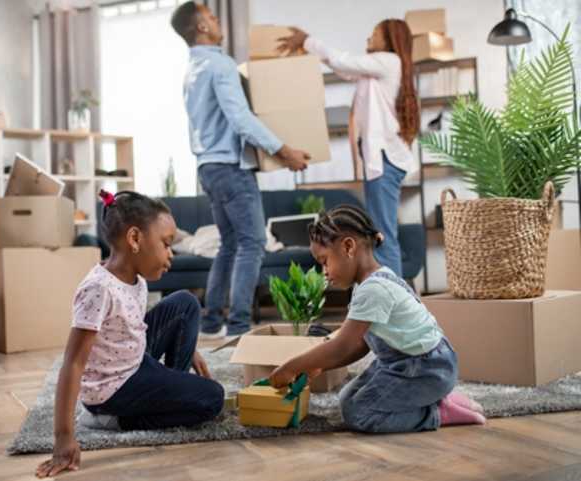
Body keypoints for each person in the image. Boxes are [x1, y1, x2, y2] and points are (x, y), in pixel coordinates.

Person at [35, 191, 223, 479]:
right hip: (113, 389)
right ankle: (115, 420)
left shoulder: (134, 278)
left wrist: (187, 343)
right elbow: (72, 363)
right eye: (166, 243)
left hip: (133, 361)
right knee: (212, 398)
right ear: (135, 239)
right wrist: (63, 436)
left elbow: (134, 327)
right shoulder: (99, 289)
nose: (170, 253)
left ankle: (171, 389)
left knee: (185, 303)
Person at [269, 205, 486, 434]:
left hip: (426, 368)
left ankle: (436, 411)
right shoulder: (371, 282)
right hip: (402, 363)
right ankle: (430, 398)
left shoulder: (374, 290)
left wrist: (291, 367)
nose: (324, 271)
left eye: (325, 261)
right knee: (347, 398)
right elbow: (360, 345)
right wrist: (320, 364)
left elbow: (343, 345)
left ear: (348, 247)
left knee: (360, 413)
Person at [171, 1, 311, 337]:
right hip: (230, 168)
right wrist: (284, 151)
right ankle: (238, 327)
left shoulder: (192, 71)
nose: (217, 20)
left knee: (231, 245)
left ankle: (210, 323)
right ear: (202, 27)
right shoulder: (220, 65)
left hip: (207, 167)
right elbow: (241, 119)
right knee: (252, 244)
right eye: (211, 16)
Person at [279, 20, 420, 278]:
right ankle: (395, 301)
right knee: (381, 232)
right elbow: (343, 68)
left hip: (386, 162)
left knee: (383, 235)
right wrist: (310, 50)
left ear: (389, 40)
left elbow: (343, 61)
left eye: (375, 34)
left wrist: (307, 40)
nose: (369, 37)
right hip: (381, 162)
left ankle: (397, 304)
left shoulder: (388, 60)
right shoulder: (373, 72)